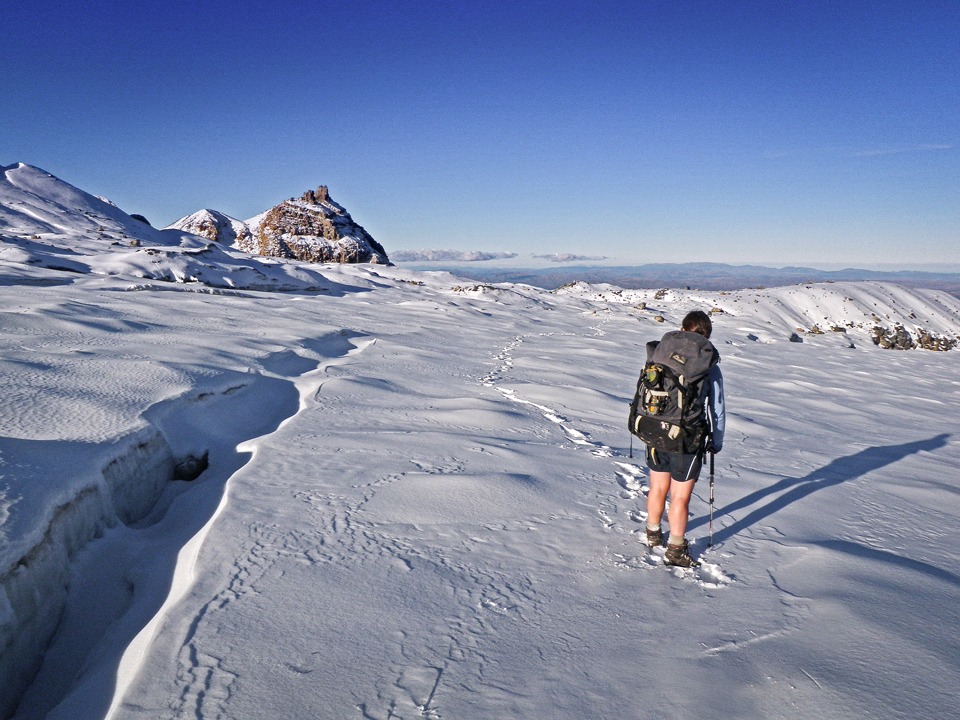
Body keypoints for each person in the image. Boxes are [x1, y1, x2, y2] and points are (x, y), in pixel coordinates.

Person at [644, 310, 725, 567]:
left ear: (682, 328)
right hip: (687, 438)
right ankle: (676, 550)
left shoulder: (661, 354)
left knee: (658, 487)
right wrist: (716, 440)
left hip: (655, 430)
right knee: (679, 497)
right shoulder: (708, 366)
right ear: (707, 336)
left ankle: (653, 533)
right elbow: (718, 408)